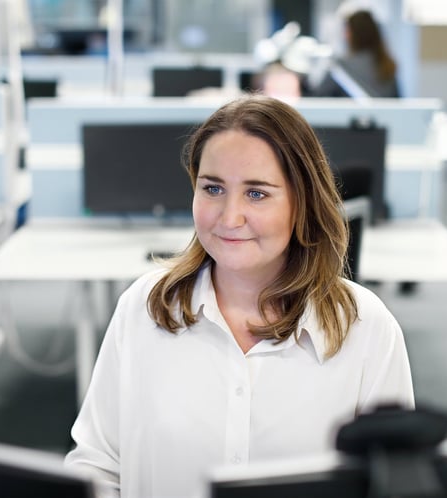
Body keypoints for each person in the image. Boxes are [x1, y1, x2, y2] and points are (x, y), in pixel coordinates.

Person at [65, 94, 413, 497]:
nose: (229, 218)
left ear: (302, 203)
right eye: (212, 188)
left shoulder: (366, 328)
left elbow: (394, 483)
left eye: (257, 193)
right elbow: (97, 465)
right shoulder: (144, 308)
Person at [312, 9, 400, 98]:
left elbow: (319, 97)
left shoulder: (341, 68)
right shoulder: (387, 66)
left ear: (352, 33)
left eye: (347, 31)